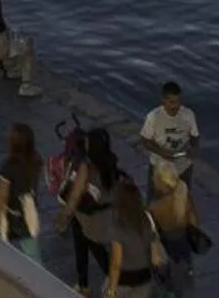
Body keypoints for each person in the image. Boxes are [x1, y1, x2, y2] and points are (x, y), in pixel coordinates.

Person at [60, 125, 119, 295]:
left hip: (85, 216)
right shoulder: (111, 162)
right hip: (103, 215)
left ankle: (85, 284)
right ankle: (95, 279)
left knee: (85, 246)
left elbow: (75, 196)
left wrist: (64, 217)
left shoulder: (87, 167)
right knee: (92, 246)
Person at [105, 175, 169, 298]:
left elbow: (116, 264)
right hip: (145, 276)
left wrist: (111, 292)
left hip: (125, 278)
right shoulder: (146, 218)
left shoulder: (118, 225)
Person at [0, 122, 43, 261]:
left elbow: (2, 196)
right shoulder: (36, 159)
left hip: (11, 214)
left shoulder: (8, 166)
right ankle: (36, 279)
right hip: (28, 211)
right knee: (32, 254)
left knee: (1, 254)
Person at [139, 81, 201, 187]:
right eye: (172, 102)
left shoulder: (188, 114)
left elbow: (195, 136)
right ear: (163, 100)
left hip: (183, 167)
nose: (176, 106)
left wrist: (193, 148)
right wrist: (161, 152)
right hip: (160, 168)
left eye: (178, 101)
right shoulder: (154, 117)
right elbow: (145, 140)